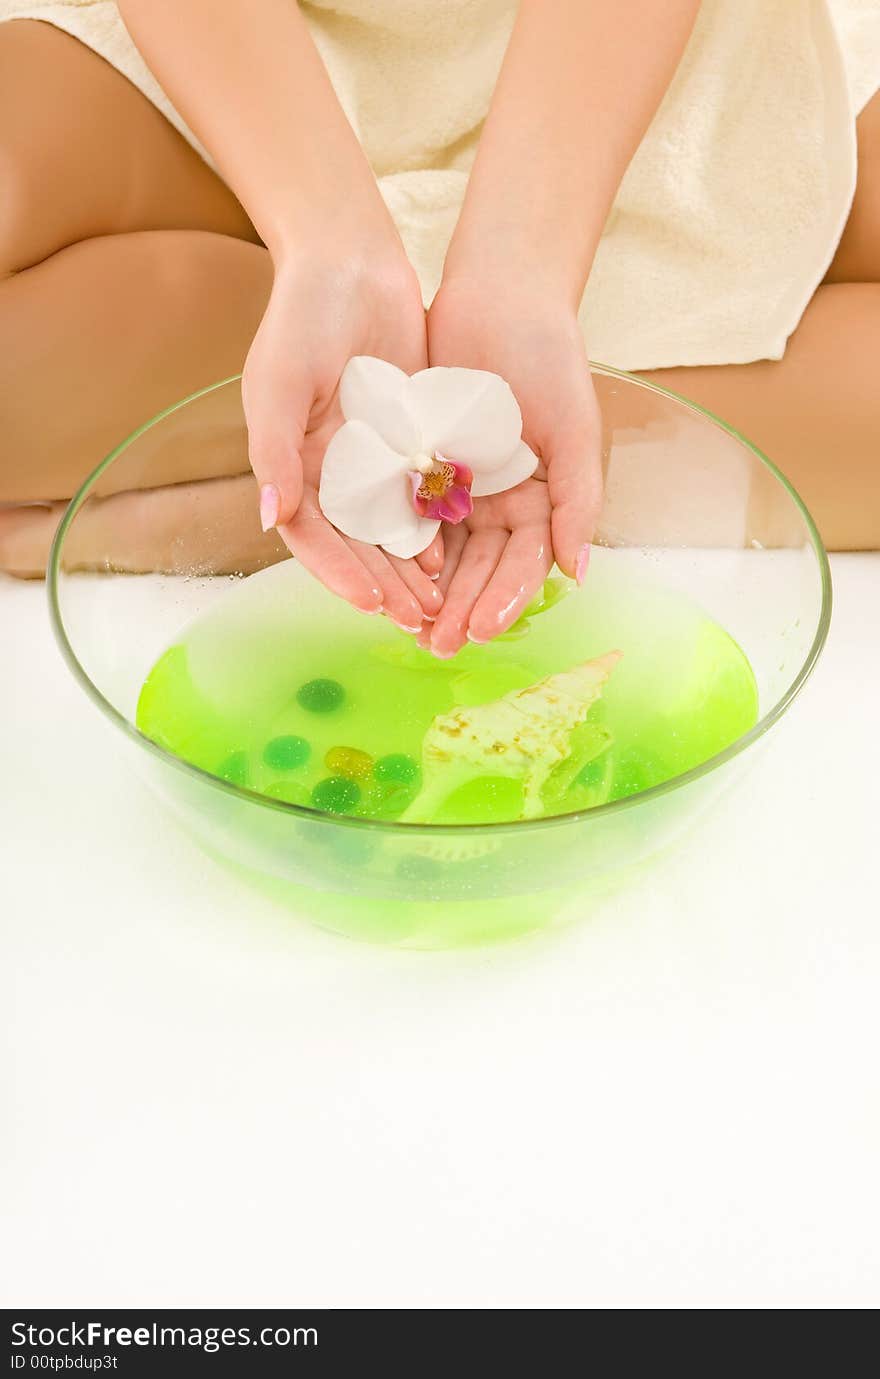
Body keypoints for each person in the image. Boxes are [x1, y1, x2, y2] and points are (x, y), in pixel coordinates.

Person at [0, 1, 877, 657]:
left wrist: (522, 273)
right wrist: (329, 245)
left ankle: (331, 486)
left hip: (619, 69)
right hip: (246, 52)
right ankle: (383, 456)